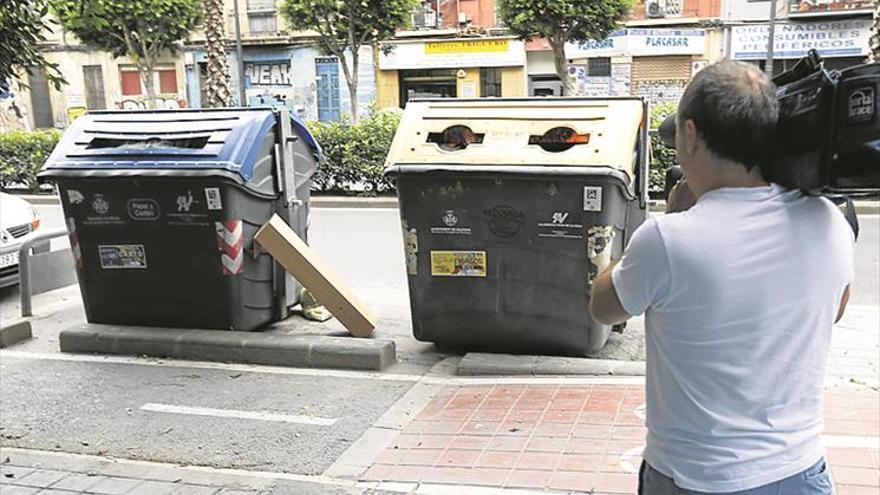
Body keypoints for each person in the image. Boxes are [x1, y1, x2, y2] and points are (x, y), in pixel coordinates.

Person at [589, 60, 854, 494]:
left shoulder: (668, 238)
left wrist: (673, 216)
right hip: (801, 472)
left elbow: (602, 308)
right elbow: (835, 309)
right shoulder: (829, 220)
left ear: (690, 135)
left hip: (698, 479)